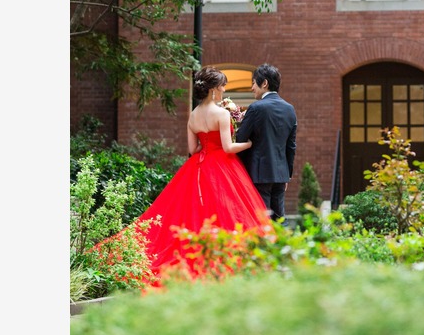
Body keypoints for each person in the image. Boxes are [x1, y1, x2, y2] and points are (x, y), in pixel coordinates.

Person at [122, 66, 271, 282]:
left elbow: (193, 150)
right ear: (213, 90)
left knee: (195, 211)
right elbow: (229, 147)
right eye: (222, 87)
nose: (223, 90)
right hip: (223, 165)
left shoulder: (193, 115)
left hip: (199, 166)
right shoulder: (221, 113)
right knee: (227, 210)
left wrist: (208, 147)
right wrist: (248, 143)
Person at [234, 63, 298, 219]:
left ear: (264, 83)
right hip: (280, 174)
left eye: (254, 83)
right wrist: (287, 174)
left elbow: (240, 138)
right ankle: (282, 244)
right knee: (279, 219)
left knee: (260, 219)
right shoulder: (290, 109)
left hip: (258, 174)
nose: (252, 88)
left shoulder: (256, 108)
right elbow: (291, 146)